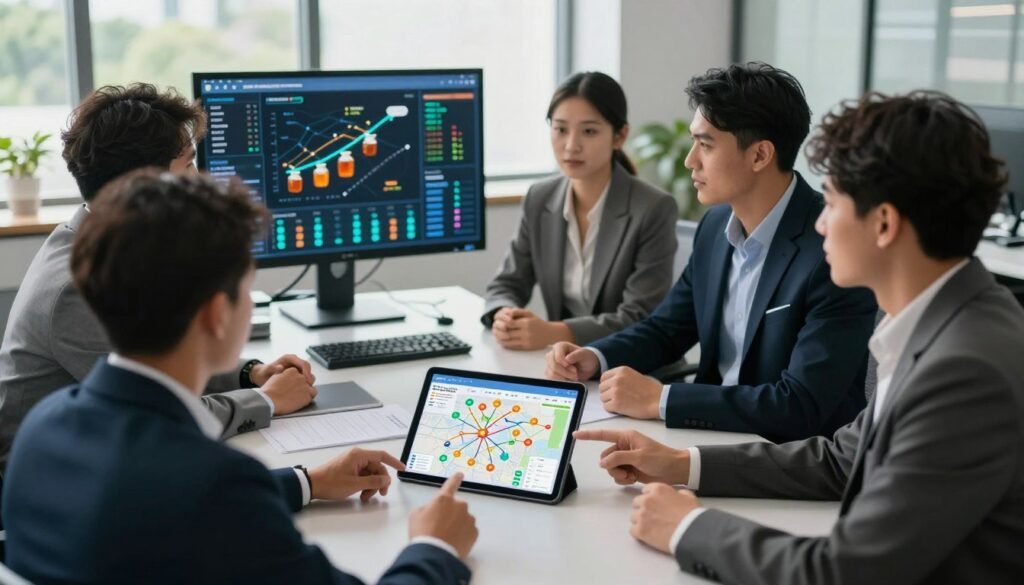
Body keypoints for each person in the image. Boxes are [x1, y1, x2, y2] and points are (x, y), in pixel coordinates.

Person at [576, 91, 1024, 584]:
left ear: (884, 223)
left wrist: (688, 528)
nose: (819, 221)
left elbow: (845, 572)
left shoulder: (965, 369)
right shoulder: (935, 323)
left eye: (831, 202)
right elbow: (840, 460)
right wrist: (679, 463)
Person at [2, 170, 479, 584]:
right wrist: (435, 547)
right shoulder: (214, 486)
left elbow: (157, 509)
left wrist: (307, 481)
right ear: (216, 314)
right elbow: (209, 502)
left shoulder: (44, 429)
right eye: (247, 290)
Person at [545, 63, 877, 441]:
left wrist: (662, 399)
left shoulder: (834, 250)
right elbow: (667, 329)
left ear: (759, 155)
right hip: (708, 436)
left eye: (705, 145)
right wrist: (594, 357)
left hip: (790, 458)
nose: (690, 161)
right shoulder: (715, 225)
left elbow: (799, 404)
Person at [0, 84, 316, 468]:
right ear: (146, 183)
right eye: (189, 165)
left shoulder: (111, 246)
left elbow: (161, 358)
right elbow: (160, 411)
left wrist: (253, 374)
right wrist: (267, 400)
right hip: (62, 478)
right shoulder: (75, 287)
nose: (201, 179)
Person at [482, 71, 678, 350]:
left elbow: (639, 317)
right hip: (565, 364)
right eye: (560, 129)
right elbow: (506, 284)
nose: (571, 145)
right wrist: (504, 314)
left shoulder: (653, 208)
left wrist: (554, 332)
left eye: (589, 131)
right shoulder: (540, 198)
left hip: (630, 366)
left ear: (619, 135)